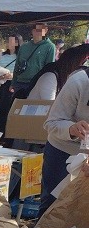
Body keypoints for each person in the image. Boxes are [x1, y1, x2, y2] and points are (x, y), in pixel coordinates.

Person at [40, 53, 89, 215]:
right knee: (52, 205)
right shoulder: (78, 82)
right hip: (62, 151)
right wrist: (72, 129)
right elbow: (51, 123)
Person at [11, 23, 55, 99]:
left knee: (33, 106)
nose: (38, 32)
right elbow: (17, 65)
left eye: (41, 29)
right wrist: (13, 83)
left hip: (37, 84)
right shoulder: (24, 46)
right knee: (17, 106)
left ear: (46, 30)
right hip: (20, 83)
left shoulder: (50, 47)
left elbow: (49, 68)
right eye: (36, 29)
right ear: (32, 31)